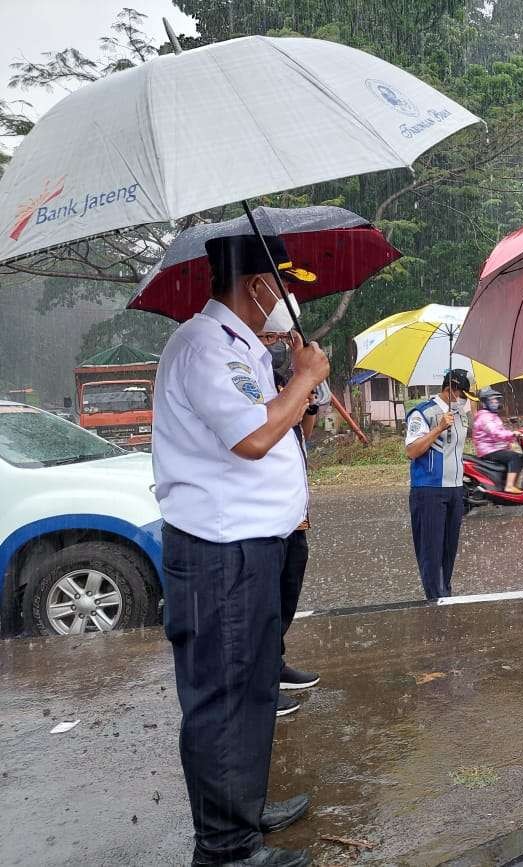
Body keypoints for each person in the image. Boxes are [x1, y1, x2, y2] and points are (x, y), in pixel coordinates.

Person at [153, 232, 329, 867]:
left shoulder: (243, 348)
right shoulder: (204, 347)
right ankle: (225, 849)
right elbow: (254, 438)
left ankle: (242, 811)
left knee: (254, 688)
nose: (288, 294)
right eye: (281, 280)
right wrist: (306, 377)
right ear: (257, 285)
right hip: (219, 553)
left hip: (255, 547)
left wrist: (294, 378)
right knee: (223, 696)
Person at [259, 319, 322, 721]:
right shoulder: (254, 380)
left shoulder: (283, 380)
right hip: (267, 515)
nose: (277, 345)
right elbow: (261, 434)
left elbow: (304, 431)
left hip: (294, 515)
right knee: (264, 603)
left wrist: (306, 397)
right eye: (269, 337)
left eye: (281, 338)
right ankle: (261, 682)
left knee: (286, 593)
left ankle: (275, 662)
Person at [406, 368, 471, 600]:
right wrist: (439, 428)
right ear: (450, 390)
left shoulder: (460, 413)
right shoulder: (423, 413)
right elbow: (412, 450)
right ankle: (434, 599)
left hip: (455, 489)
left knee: (448, 550)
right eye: (462, 395)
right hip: (429, 490)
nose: (464, 401)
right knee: (431, 551)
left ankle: (445, 593)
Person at [473, 387, 523, 492]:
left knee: (519, 456)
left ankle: (510, 484)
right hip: (488, 450)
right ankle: (509, 486)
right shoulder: (485, 418)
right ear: (485, 403)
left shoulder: (491, 415)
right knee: (515, 457)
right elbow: (495, 433)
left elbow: (499, 432)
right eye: (492, 400)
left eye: (496, 399)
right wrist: (512, 434)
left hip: (494, 448)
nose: (495, 402)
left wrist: (510, 440)